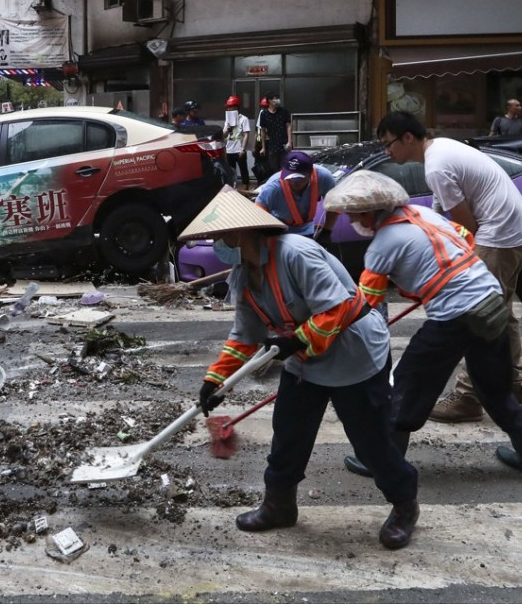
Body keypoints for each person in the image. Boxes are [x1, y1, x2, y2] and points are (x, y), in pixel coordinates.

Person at [179, 186, 419, 550]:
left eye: (222, 236)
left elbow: (337, 308)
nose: (218, 244)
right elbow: (244, 335)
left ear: (244, 232)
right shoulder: (243, 275)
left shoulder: (296, 253)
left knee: (372, 443)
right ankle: (279, 505)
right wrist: (216, 380)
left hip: (353, 356)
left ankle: (404, 506)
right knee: (289, 433)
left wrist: (296, 340)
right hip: (305, 361)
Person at [323, 170, 522, 476]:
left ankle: (383, 461)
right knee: (493, 388)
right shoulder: (426, 215)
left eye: (352, 216)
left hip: (456, 314)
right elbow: (466, 238)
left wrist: (330, 336)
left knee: (408, 382)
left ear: (368, 211)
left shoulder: (382, 245)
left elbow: (365, 305)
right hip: (491, 301)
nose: (351, 222)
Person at [378, 111, 522, 422]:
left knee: (478, 314)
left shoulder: (437, 166)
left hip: (497, 233)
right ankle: (514, 382)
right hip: (510, 229)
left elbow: (465, 226)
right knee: (501, 311)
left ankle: (469, 398)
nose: (388, 152)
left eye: (389, 145)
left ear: (407, 138)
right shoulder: (441, 149)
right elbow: (443, 211)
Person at [254, 151, 339, 241]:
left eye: (298, 178)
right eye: (290, 178)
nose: (293, 182)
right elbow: (259, 210)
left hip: (306, 229)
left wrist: (327, 230)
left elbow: (334, 205)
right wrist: (268, 230)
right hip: (280, 230)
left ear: (310, 174)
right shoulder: (273, 186)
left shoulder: (324, 178)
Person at [257, 91, 292, 176]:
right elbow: (263, 131)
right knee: (274, 169)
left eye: (277, 98)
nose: (277, 100)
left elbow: (288, 126)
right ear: (269, 100)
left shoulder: (283, 111)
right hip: (272, 145)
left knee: (285, 168)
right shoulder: (264, 114)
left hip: (284, 144)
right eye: (275, 98)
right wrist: (263, 147)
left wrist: (289, 142)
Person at [222, 95, 251, 190]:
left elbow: (246, 134)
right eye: (228, 107)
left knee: (243, 170)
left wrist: (243, 149)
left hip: (239, 149)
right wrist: (228, 129)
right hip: (229, 150)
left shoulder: (244, 119)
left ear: (236, 107)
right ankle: (232, 189)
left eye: (231, 107)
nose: (229, 109)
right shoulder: (227, 120)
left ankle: (245, 189)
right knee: (231, 171)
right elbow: (224, 136)